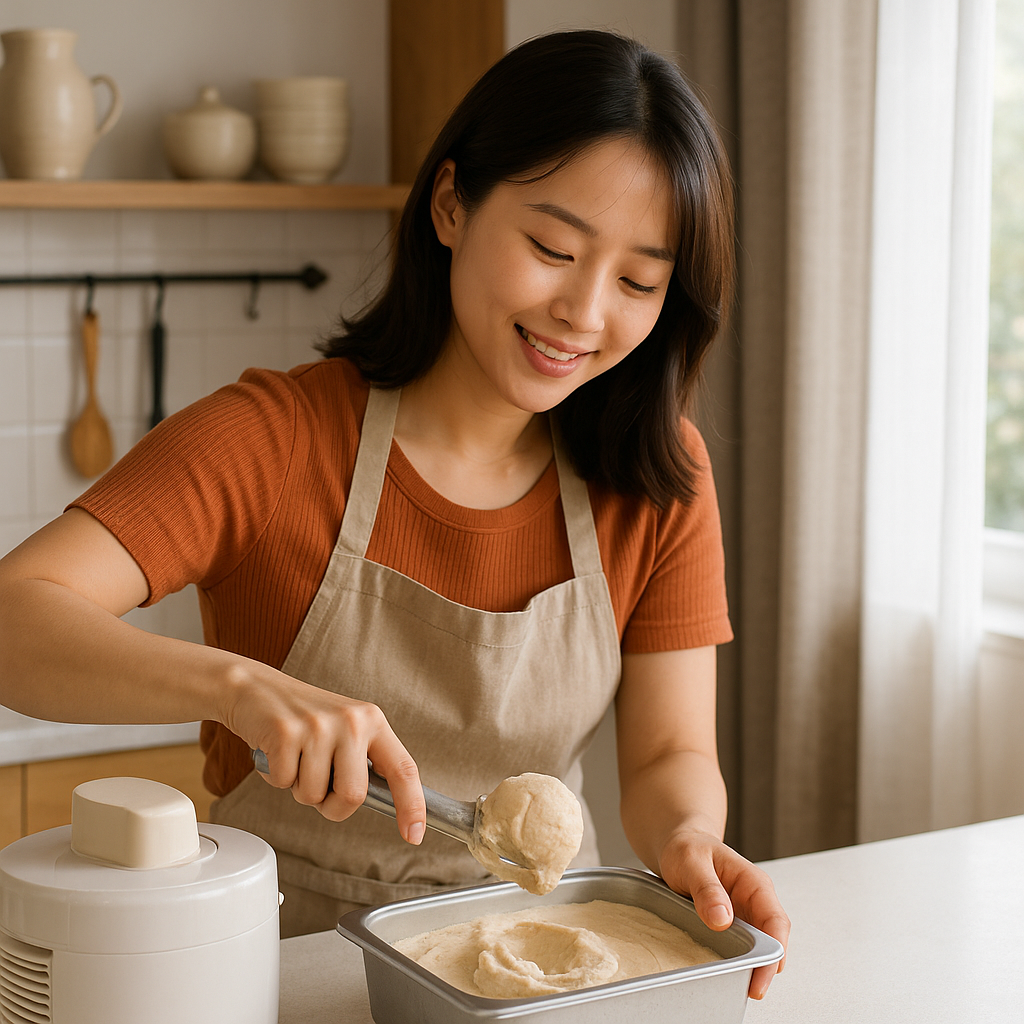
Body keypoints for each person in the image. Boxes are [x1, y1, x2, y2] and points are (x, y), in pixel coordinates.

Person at [0, 30, 789, 997]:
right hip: (270, 971)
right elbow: (15, 617)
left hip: (529, 970)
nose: (584, 310)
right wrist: (239, 687)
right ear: (452, 204)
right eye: (552, 247)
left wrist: (690, 842)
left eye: (637, 281)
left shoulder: (659, 479)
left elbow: (671, 752)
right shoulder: (275, 438)